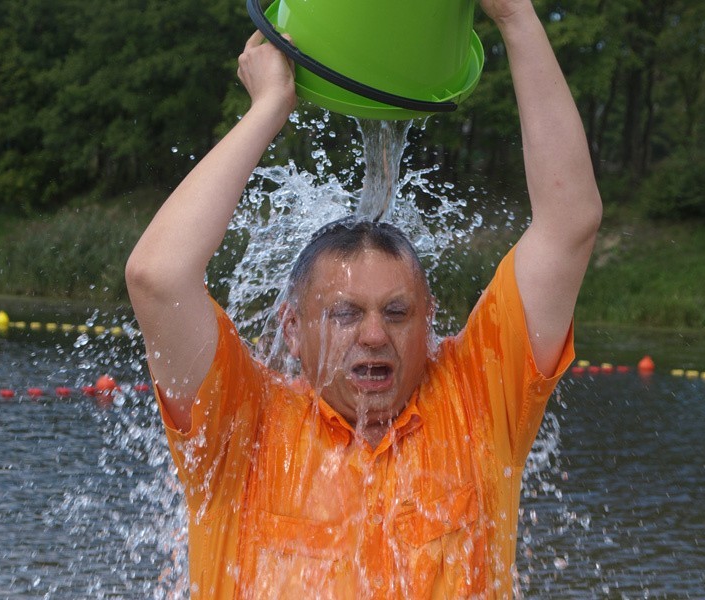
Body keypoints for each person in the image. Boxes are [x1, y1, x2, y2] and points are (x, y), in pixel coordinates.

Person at [125, 0, 602, 596]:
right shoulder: (241, 432)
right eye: (345, 313)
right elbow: (156, 276)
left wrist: (515, 17)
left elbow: (570, 223)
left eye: (397, 312)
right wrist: (270, 108)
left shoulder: (479, 399)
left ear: (431, 321)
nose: (374, 336)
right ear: (292, 329)